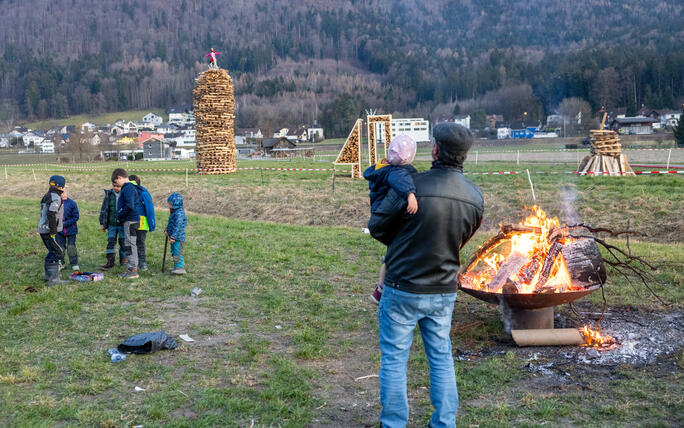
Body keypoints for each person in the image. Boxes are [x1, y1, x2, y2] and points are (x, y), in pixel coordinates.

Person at [368, 123, 484, 427]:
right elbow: (461, 239)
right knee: (442, 358)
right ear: (464, 156)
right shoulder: (474, 197)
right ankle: (444, 423)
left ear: (434, 150)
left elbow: (377, 226)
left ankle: (393, 423)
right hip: (443, 290)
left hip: (402, 285)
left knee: (395, 359)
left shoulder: (411, 185)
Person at [363, 135, 418, 304]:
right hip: (386, 216)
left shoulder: (382, 166)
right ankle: (380, 292)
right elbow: (399, 180)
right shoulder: (395, 172)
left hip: (380, 212)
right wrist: (410, 194)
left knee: (392, 252)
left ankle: (383, 285)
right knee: (392, 255)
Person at [38, 175, 69, 286]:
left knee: (52, 251)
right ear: (61, 187)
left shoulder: (47, 195)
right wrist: (53, 230)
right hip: (49, 230)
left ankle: (48, 276)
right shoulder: (55, 197)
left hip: (42, 229)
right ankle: (53, 279)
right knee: (57, 252)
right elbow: (51, 213)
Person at [112, 168, 141, 279]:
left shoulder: (128, 189)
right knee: (130, 244)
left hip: (130, 220)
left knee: (129, 245)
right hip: (130, 220)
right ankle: (132, 267)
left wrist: (120, 214)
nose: (116, 185)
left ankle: (132, 269)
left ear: (119, 178)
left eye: (116, 182)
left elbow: (129, 205)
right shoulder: (128, 188)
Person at [128, 175, 155, 272]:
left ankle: (138, 263)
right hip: (136, 223)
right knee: (137, 243)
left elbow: (149, 209)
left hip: (135, 223)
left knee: (135, 243)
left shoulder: (141, 193)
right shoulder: (142, 192)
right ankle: (138, 262)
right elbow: (150, 209)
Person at [98, 180, 127, 270]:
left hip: (122, 224)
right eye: (114, 186)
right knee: (111, 243)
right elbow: (104, 209)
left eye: (118, 186)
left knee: (123, 243)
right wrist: (102, 223)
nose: (115, 188)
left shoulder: (125, 194)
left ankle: (124, 260)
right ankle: (110, 261)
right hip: (111, 224)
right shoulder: (109, 195)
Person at [56, 188, 80, 271]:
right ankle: (61, 263)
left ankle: (74, 263)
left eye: (64, 192)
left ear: (67, 192)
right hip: (59, 231)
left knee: (71, 247)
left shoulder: (72, 203)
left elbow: (76, 217)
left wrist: (64, 224)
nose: (63, 194)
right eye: (60, 193)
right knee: (60, 247)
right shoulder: (56, 203)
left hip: (71, 230)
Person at [165, 193, 187, 275]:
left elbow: (177, 226)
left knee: (178, 252)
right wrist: (167, 229)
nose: (169, 206)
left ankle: (180, 267)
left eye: (170, 204)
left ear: (176, 204)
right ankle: (176, 266)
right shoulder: (174, 212)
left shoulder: (179, 213)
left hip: (178, 237)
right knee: (174, 251)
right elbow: (171, 223)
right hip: (174, 237)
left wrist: (173, 236)